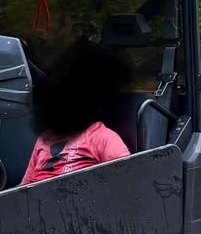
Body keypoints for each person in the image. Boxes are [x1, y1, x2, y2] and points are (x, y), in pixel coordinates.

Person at [21, 42, 131, 186]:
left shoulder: (102, 137)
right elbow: (24, 186)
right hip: (34, 204)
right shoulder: (45, 137)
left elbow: (128, 180)